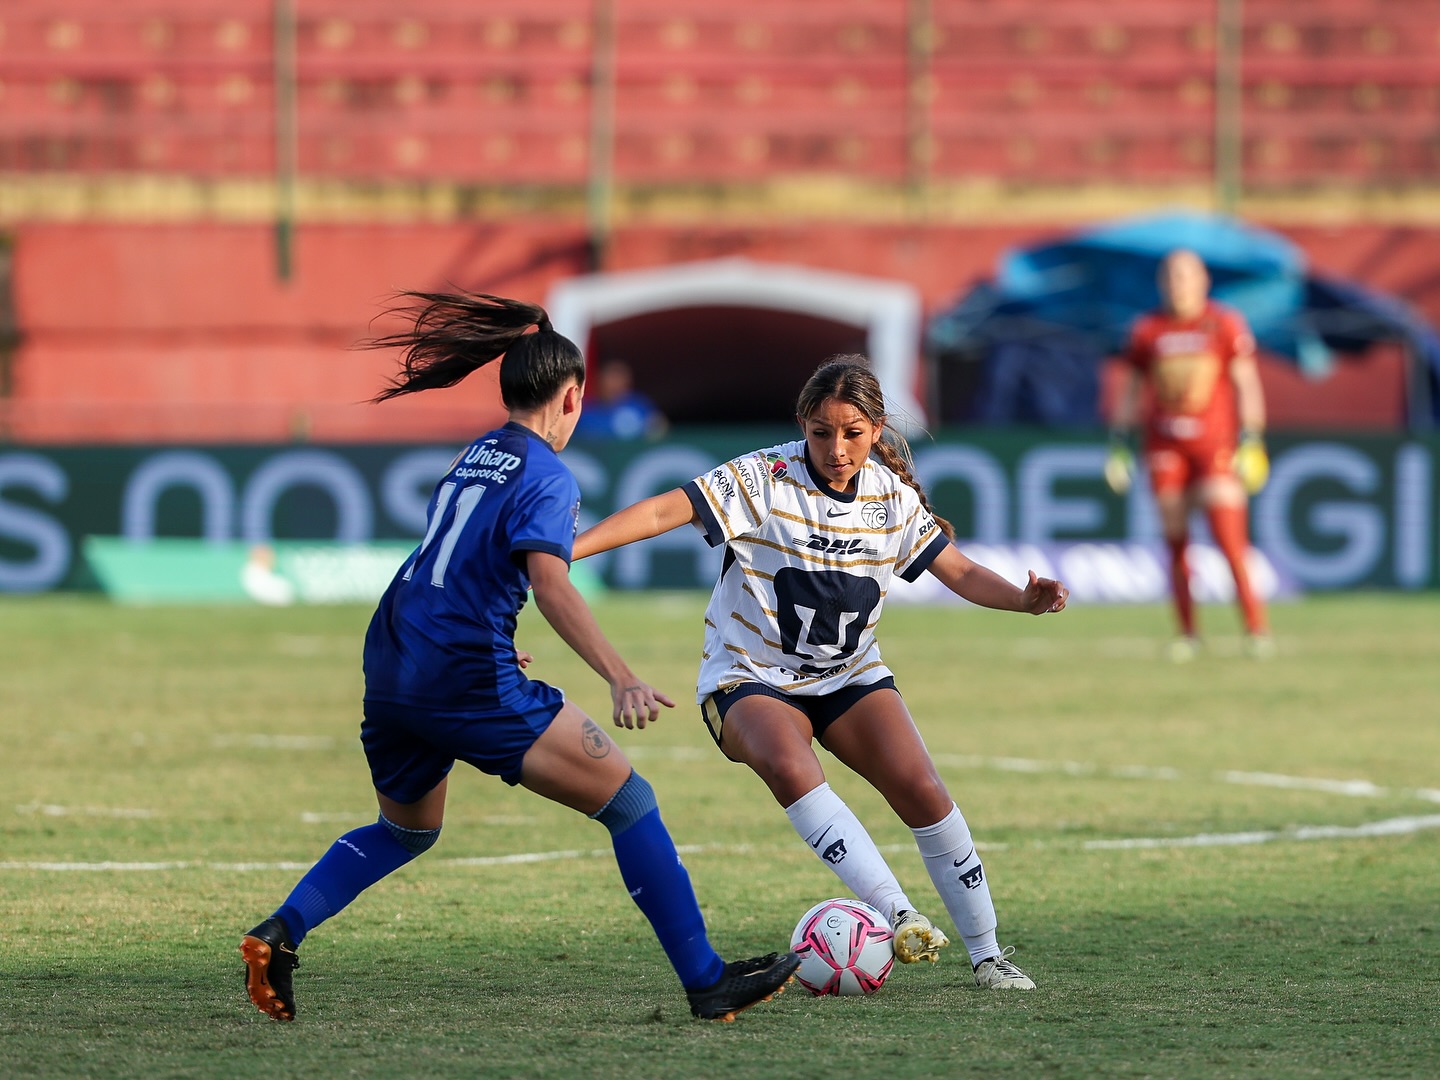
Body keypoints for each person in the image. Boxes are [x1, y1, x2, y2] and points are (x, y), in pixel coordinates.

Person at [239, 291, 799, 1023]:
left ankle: (280, 931)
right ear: (572, 397)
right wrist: (620, 676)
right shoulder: (549, 475)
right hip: (462, 673)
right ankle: (706, 982)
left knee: (407, 829)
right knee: (630, 802)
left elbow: (452, 564)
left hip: (396, 659)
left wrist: (487, 636)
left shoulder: (472, 457)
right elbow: (550, 583)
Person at [573, 356, 1069, 991]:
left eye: (853, 434)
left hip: (849, 675)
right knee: (789, 764)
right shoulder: (764, 478)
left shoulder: (890, 498)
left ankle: (989, 956)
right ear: (801, 425)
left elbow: (962, 572)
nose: (836, 449)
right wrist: (567, 550)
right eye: (821, 433)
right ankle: (899, 916)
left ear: (877, 430)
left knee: (922, 789)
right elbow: (661, 512)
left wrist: (1023, 600)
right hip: (750, 676)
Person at [1106, 249, 1273, 661]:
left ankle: (1256, 629)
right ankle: (1188, 633)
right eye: (1170, 276)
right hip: (1166, 447)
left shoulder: (1223, 323)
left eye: (1184, 276)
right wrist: (1120, 443)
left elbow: (1246, 382)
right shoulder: (1148, 329)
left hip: (1215, 447)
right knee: (1176, 542)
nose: (1177, 284)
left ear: (1203, 281)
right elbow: (1131, 389)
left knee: (1230, 539)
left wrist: (1252, 438)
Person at [572, 358, 668, 441]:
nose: (615, 385)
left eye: (620, 378)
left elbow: (660, 428)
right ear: (600, 381)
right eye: (612, 378)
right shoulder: (584, 408)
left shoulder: (639, 405)